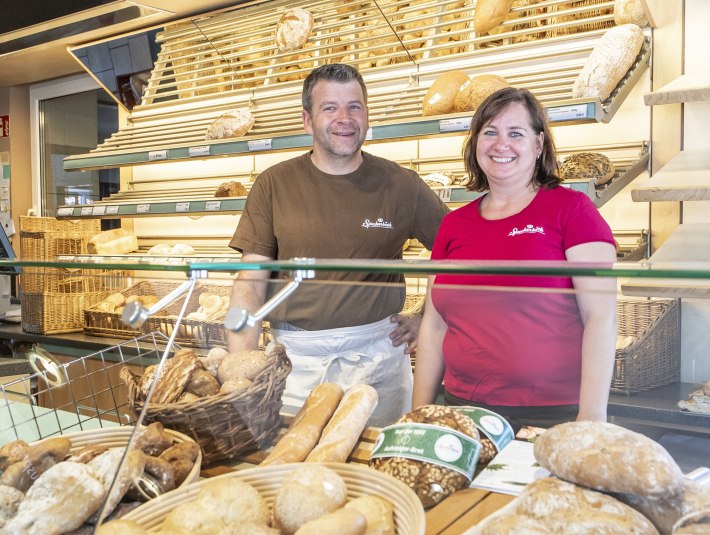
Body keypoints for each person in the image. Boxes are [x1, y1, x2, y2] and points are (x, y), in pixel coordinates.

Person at [228, 63, 449, 426]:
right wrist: (241, 374)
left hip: (380, 362)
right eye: (330, 107)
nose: (345, 118)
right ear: (307, 119)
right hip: (296, 366)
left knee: (376, 472)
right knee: (295, 471)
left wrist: (425, 315)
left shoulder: (403, 185)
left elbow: (456, 249)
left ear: (367, 115)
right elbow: (249, 285)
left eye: (355, 106)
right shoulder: (274, 184)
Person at [412, 87, 617, 431]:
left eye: (515, 133)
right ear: (475, 143)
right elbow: (434, 326)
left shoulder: (572, 210)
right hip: (461, 408)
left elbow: (601, 317)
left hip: (552, 413)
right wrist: (419, 413)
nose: (500, 144)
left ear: (538, 145)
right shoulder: (453, 224)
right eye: (489, 132)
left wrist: (592, 418)